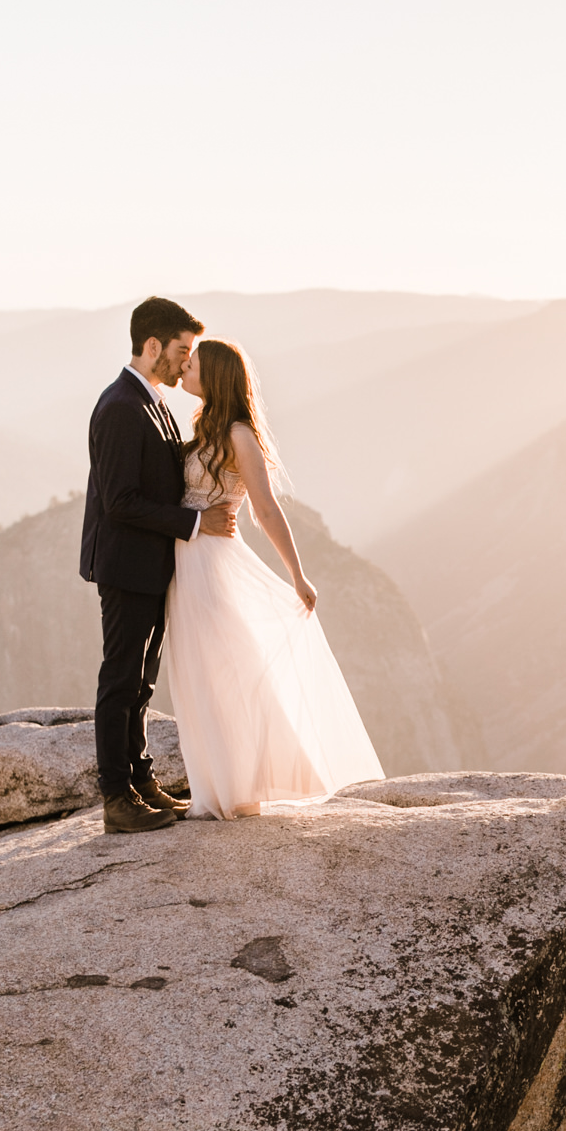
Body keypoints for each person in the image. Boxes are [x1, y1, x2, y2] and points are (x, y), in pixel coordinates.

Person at [164, 338, 384, 818]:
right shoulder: (205, 427)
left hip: (212, 566)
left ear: (216, 376)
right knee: (201, 675)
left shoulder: (238, 434)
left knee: (226, 674)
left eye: (194, 363)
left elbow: (265, 509)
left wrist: (297, 574)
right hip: (188, 564)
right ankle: (221, 788)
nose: (185, 366)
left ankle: (241, 793)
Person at [78, 298, 237, 833]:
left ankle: (141, 779)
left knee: (142, 681)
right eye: (180, 351)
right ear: (152, 347)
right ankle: (115, 798)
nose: (183, 363)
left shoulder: (151, 399)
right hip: (126, 566)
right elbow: (120, 499)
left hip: (150, 566)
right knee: (120, 679)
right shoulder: (122, 405)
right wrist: (195, 525)